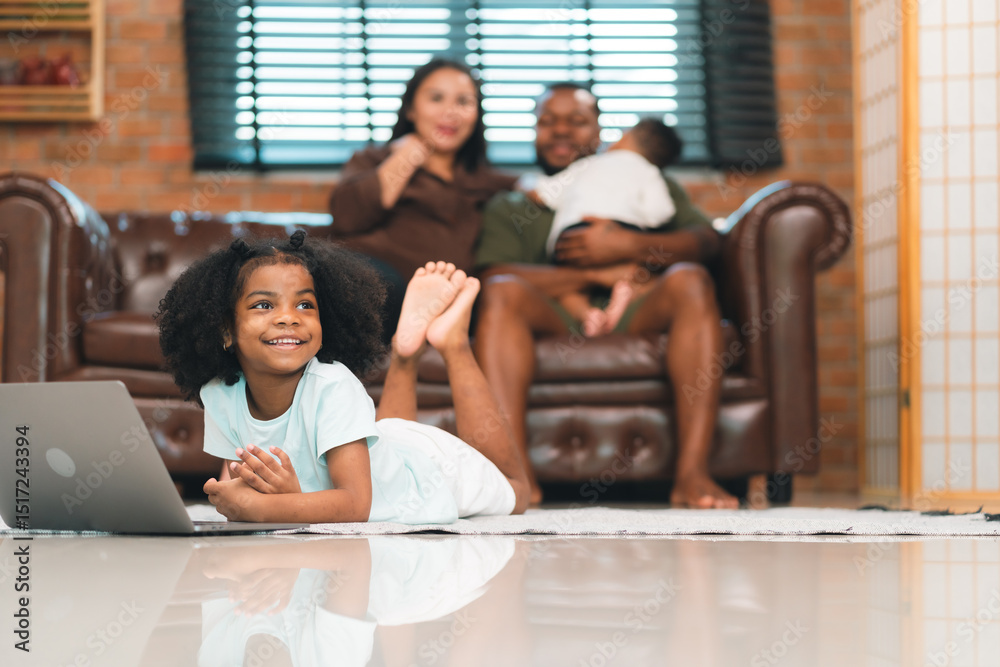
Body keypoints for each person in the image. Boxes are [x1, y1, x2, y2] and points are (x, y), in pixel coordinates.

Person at [473, 83, 738, 509]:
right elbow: (492, 276)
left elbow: (708, 242)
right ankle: (517, 481)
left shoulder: (638, 177)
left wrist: (627, 248)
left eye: (576, 121)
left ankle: (692, 476)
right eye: (547, 121)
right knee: (502, 292)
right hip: (555, 314)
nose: (561, 131)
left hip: (638, 306)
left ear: (600, 133)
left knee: (691, 279)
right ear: (533, 130)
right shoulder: (512, 204)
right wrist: (597, 271)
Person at [155, 230, 530, 524]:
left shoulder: (333, 385)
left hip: (428, 474)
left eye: (305, 304)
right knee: (388, 435)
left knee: (517, 492)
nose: (289, 317)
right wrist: (255, 497)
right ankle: (405, 351)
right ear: (225, 331)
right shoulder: (221, 393)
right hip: (379, 445)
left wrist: (269, 507)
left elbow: (355, 504)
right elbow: (240, 483)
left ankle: (452, 343)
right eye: (264, 305)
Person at [328, 58, 517, 337]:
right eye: (436, 98)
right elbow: (347, 218)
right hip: (381, 292)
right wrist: (407, 155)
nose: (450, 112)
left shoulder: (482, 179)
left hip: (447, 304)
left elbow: (534, 186)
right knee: (383, 287)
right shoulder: (373, 160)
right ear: (412, 110)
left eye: (464, 102)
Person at [518, 117, 683, 336]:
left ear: (626, 137)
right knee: (643, 276)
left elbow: (543, 194)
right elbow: (662, 212)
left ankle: (587, 315)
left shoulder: (587, 164)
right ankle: (622, 296)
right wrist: (628, 225)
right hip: (621, 232)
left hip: (572, 235)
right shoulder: (649, 172)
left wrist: (523, 183)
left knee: (566, 286)